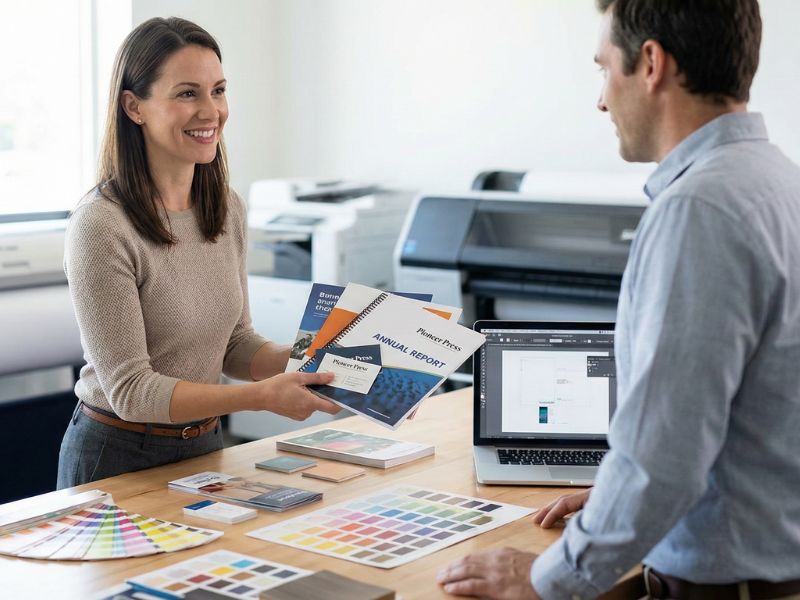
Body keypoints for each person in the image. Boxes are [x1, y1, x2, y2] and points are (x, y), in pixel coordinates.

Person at [437, 0, 800, 598]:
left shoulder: (697, 210)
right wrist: (616, 497)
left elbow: (663, 457)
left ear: (651, 63)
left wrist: (544, 578)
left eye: (604, 68)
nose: (601, 100)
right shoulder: (775, 179)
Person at [57, 17, 338, 489]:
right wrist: (261, 398)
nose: (211, 111)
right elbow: (131, 391)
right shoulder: (100, 225)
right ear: (134, 106)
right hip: (117, 456)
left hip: (205, 448)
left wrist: (318, 361)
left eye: (219, 90)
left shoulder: (226, 208)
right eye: (187, 93)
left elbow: (235, 344)